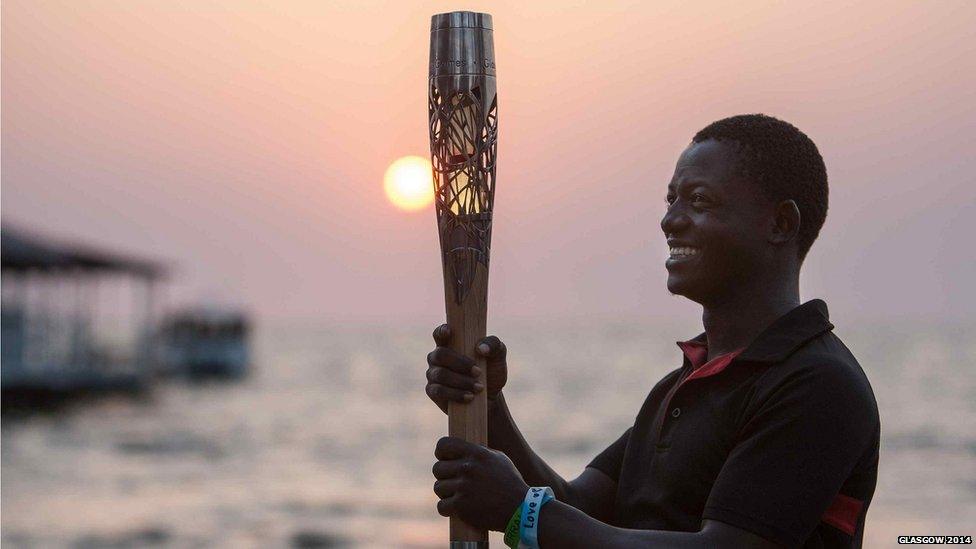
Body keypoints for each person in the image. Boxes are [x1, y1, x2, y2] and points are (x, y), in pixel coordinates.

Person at [425, 114, 880, 548]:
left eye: (699, 200)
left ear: (780, 224)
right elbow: (581, 510)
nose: (671, 220)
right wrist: (488, 405)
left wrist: (524, 512)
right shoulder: (679, 387)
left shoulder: (817, 383)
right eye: (671, 200)